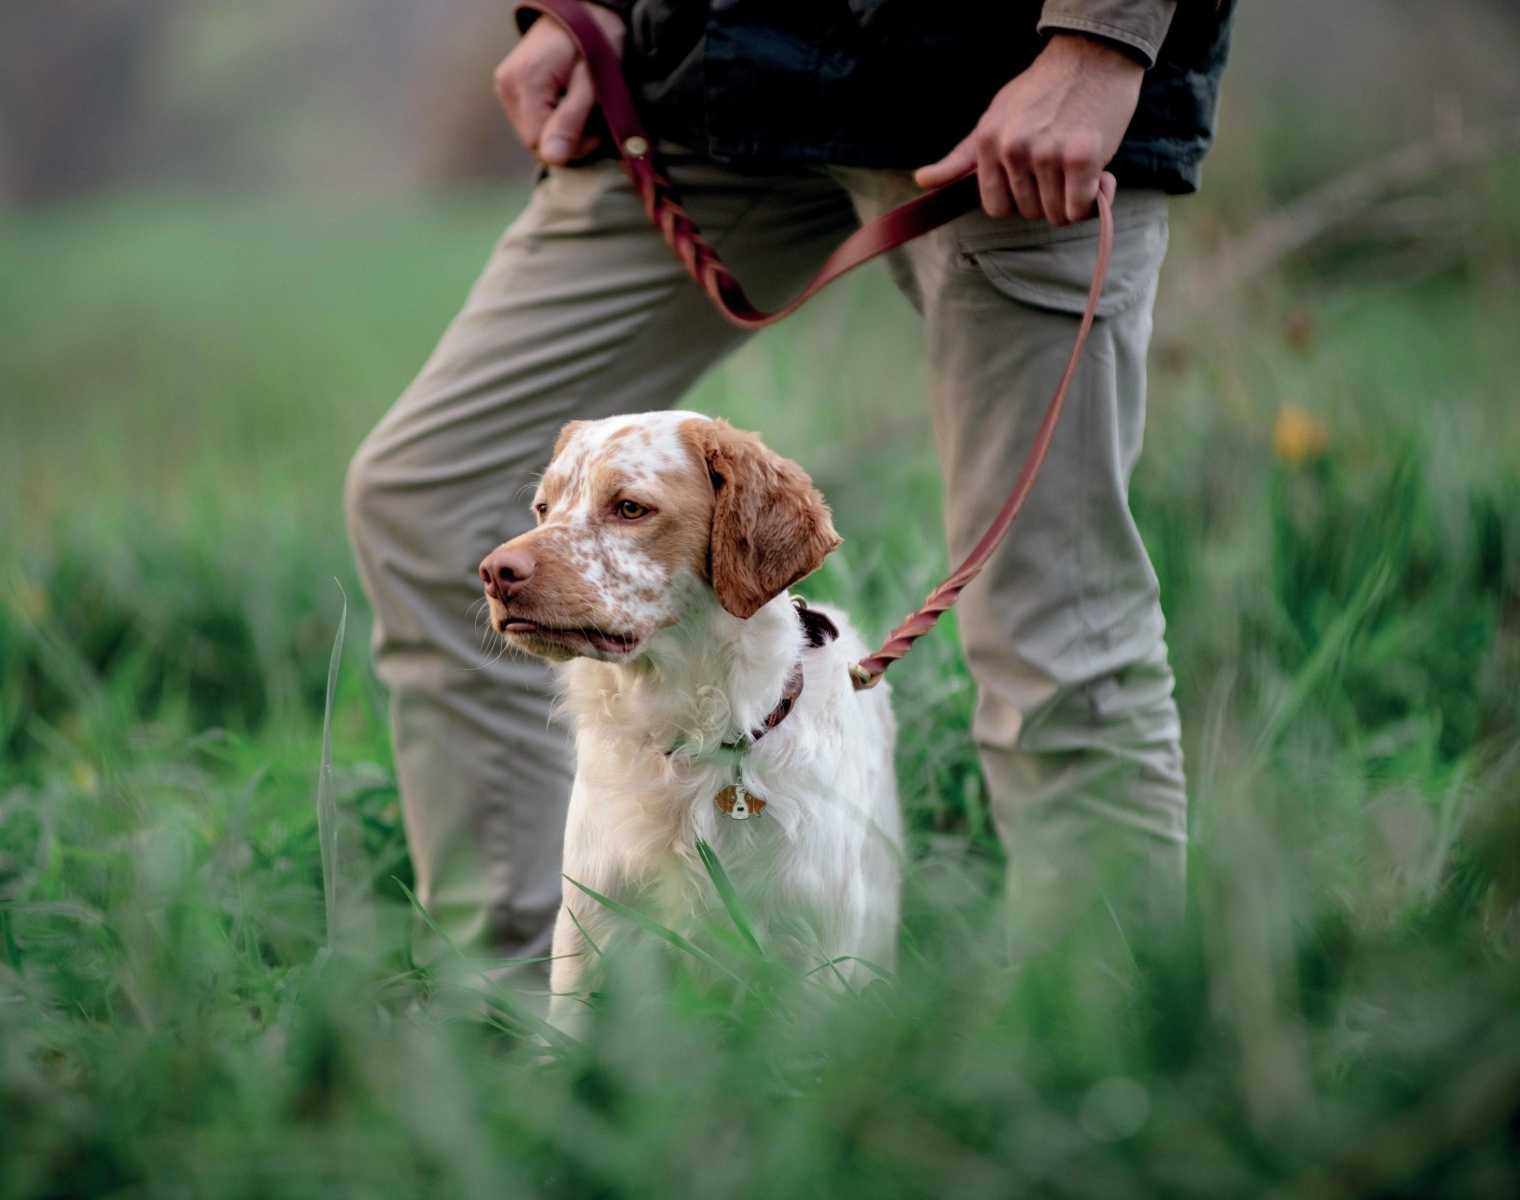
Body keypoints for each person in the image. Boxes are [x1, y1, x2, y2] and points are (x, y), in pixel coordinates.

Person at [346, 0, 1236, 969]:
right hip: (697, 85)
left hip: (1005, 91)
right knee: (429, 495)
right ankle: (521, 1038)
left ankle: (1112, 1075)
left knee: (1054, 616)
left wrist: (1101, 39)